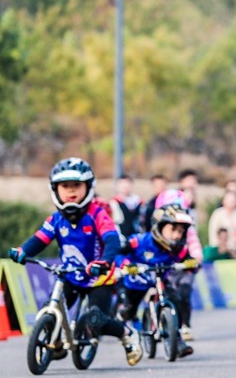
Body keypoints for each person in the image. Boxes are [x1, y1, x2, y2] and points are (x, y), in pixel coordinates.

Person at [7, 157, 141, 366]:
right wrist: (22, 251)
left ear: (88, 187)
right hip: (72, 274)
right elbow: (39, 239)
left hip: (100, 277)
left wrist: (104, 261)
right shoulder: (56, 219)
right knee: (51, 307)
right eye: (65, 186)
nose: (71, 191)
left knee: (95, 320)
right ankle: (56, 343)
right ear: (55, 189)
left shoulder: (97, 214)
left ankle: (127, 333)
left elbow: (111, 240)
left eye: (76, 186)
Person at [116, 204, 198, 357]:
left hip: (159, 281)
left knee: (176, 300)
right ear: (160, 227)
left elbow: (189, 262)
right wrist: (125, 264)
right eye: (173, 229)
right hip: (135, 282)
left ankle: (177, 339)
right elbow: (118, 252)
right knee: (127, 310)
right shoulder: (140, 241)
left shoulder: (178, 248)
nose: (177, 235)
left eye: (181, 231)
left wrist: (191, 264)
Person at [154, 189, 204, 342]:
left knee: (183, 292)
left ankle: (184, 325)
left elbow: (194, 244)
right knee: (158, 294)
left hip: (184, 267)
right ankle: (155, 324)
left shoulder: (187, 229)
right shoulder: (156, 232)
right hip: (163, 267)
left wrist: (195, 259)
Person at [207, 191, 236, 258]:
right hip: (222, 251)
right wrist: (215, 248)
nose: (232, 203)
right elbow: (213, 232)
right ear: (224, 201)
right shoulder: (217, 214)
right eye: (230, 200)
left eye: (234, 200)